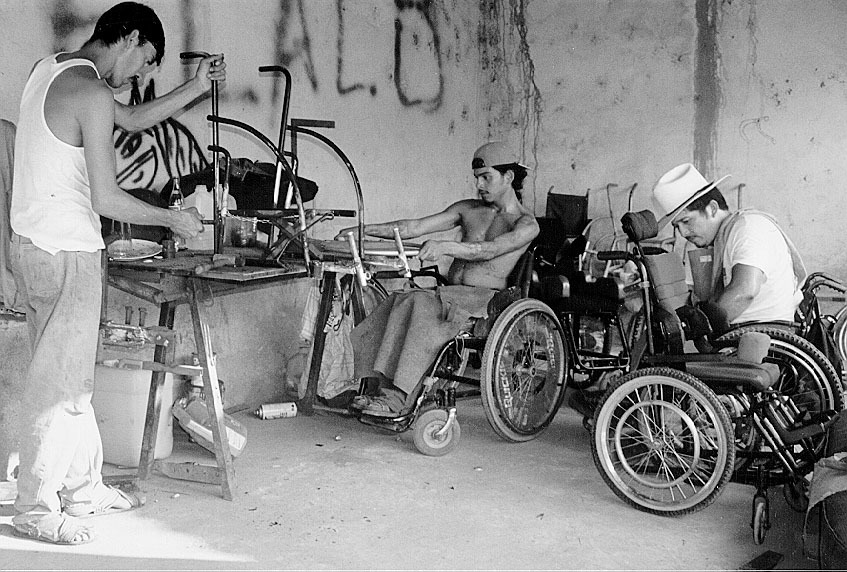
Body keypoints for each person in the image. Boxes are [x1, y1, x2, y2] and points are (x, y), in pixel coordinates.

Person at [9, 2, 225, 546]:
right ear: (127, 37)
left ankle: (84, 490)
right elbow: (106, 196)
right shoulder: (92, 91)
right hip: (67, 254)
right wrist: (172, 217)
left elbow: (127, 119)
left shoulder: (52, 69)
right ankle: (35, 507)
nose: (143, 76)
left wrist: (194, 88)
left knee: (72, 379)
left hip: (34, 247)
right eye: (147, 61)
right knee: (59, 387)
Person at [334, 141, 539, 416]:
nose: (479, 185)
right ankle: (376, 389)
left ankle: (397, 400)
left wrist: (445, 247)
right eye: (477, 178)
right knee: (400, 300)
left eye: (486, 177)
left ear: (509, 177)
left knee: (418, 305)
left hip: (484, 304)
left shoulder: (526, 224)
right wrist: (357, 231)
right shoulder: (468, 208)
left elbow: (490, 250)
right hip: (450, 294)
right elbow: (412, 227)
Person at [651, 162, 806, 328]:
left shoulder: (748, 227)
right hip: (738, 332)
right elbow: (692, 294)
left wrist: (700, 328)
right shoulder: (703, 244)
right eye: (676, 226)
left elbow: (744, 291)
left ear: (712, 208)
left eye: (686, 221)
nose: (683, 233)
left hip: (764, 334)